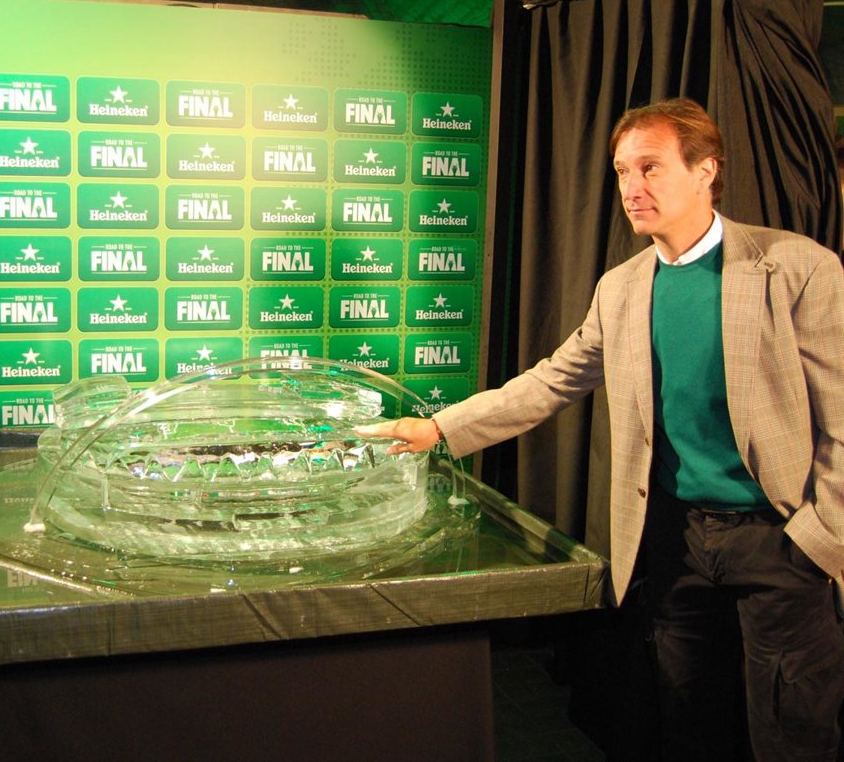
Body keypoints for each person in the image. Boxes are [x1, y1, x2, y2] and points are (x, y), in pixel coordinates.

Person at [359, 98, 844, 760]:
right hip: (674, 539)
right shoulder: (622, 287)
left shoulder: (797, 267)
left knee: (793, 730)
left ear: (705, 170)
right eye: (622, 172)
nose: (632, 187)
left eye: (650, 167)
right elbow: (552, 381)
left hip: (778, 536)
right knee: (687, 719)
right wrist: (440, 428)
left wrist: (818, 539)